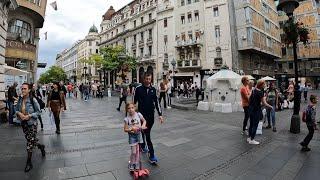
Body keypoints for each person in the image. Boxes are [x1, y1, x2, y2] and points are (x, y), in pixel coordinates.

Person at [134, 73, 164, 163]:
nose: (148, 80)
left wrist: (160, 115)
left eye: (149, 79)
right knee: (147, 135)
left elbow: (157, 103)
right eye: (146, 79)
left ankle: (143, 146)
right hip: (142, 116)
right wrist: (132, 114)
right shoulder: (138, 89)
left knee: (145, 132)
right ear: (143, 79)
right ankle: (152, 155)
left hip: (151, 116)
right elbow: (134, 102)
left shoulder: (153, 89)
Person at [15, 83, 45, 172]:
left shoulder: (33, 100)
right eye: (22, 88)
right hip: (23, 123)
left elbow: (39, 112)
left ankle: (29, 163)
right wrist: (19, 113)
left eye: (25, 89)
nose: (23, 90)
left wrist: (29, 116)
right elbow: (16, 109)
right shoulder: (20, 99)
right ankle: (41, 146)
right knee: (31, 140)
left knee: (29, 143)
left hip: (32, 123)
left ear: (29, 90)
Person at [247, 80, 273, 145]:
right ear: (261, 85)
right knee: (255, 125)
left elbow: (250, 99)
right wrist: (271, 106)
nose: (265, 85)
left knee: (251, 124)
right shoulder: (260, 92)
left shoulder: (254, 90)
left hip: (251, 109)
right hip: (256, 110)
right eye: (264, 84)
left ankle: (249, 138)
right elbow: (264, 103)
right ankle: (252, 139)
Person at [123, 102, 147, 171]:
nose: (131, 109)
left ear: (135, 108)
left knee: (138, 151)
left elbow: (144, 121)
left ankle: (136, 163)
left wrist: (142, 126)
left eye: (132, 108)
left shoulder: (138, 114)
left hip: (139, 135)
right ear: (127, 110)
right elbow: (125, 129)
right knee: (133, 152)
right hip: (132, 137)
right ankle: (131, 163)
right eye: (129, 108)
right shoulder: (126, 119)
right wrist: (130, 129)